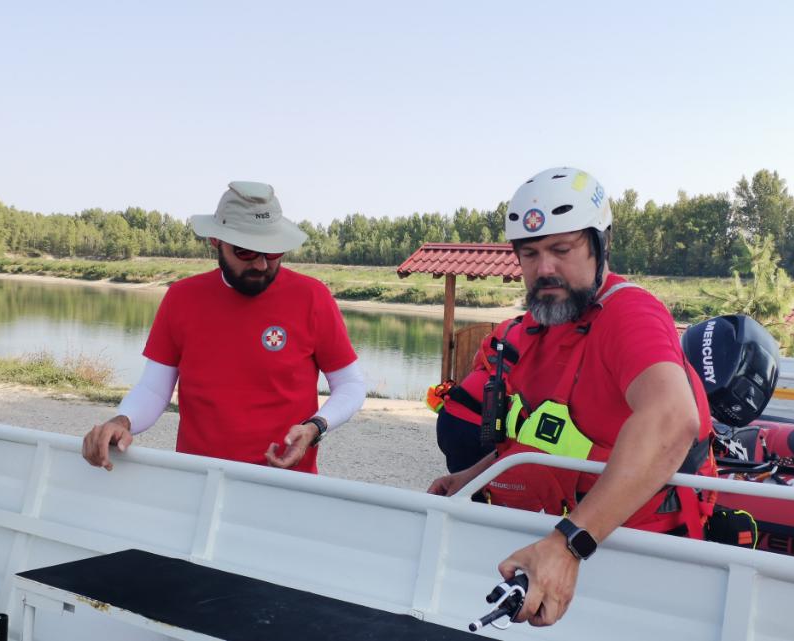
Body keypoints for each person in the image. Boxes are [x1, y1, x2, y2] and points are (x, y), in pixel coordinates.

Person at [428, 167, 717, 627]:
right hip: (558, 541)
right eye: (530, 253)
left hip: (640, 559)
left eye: (562, 250)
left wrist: (568, 545)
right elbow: (542, 434)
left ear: (600, 246)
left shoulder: (630, 314)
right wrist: (472, 476)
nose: (544, 268)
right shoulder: (541, 324)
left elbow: (672, 418)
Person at [83, 181, 366, 473]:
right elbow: (154, 389)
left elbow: (350, 385)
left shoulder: (312, 297)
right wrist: (123, 421)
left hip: (285, 483)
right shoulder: (182, 298)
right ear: (215, 241)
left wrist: (315, 427)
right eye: (246, 252)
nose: (261, 265)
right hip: (199, 479)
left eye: (272, 253)